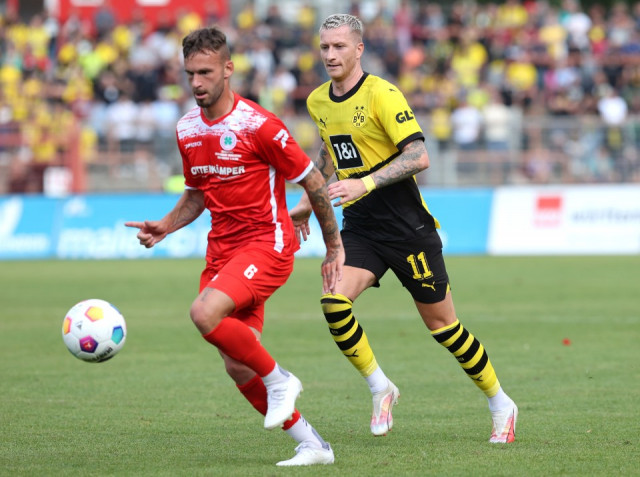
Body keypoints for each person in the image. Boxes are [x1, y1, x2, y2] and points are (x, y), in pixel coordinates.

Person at [290, 14, 518, 443]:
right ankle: (381, 387)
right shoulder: (318, 100)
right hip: (361, 227)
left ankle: (500, 402)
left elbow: (418, 156)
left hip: (407, 229)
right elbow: (331, 151)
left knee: (444, 328)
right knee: (334, 301)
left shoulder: (382, 93)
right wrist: (308, 200)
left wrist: (365, 182)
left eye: (339, 46)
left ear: (359, 49)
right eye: (324, 47)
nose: (330, 55)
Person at [125, 27, 344, 466]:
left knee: (203, 313)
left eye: (205, 72)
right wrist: (166, 225)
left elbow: (313, 181)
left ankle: (280, 379)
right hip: (222, 253)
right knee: (237, 364)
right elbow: (197, 194)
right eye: (190, 73)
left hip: (267, 244)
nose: (197, 83)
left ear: (228, 69)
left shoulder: (259, 125)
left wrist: (333, 246)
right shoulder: (187, 129)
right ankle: (313, 445)